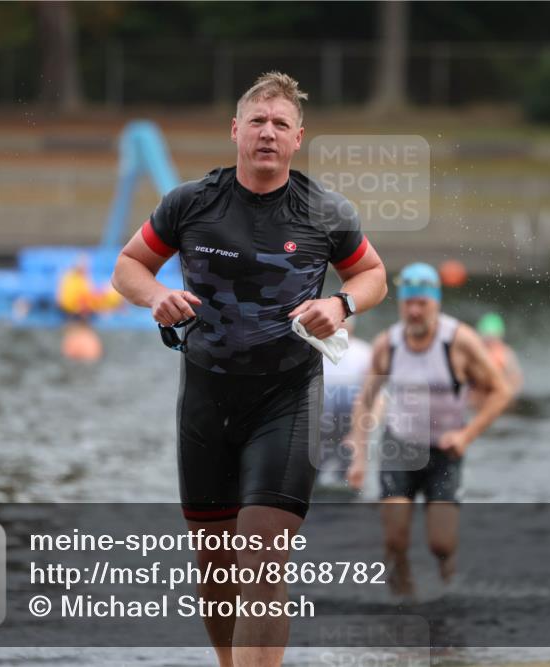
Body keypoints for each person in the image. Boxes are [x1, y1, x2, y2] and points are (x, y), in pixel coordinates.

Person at [111, 72, 387, 667]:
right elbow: (128, 265)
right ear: (236, 130)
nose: (267, 133)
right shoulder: (190, 202)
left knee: (261, 559)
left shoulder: (324, 211)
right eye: (257, 121)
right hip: (206, 401)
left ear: (297, 138)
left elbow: (373, 276)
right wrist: (152, 296)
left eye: (280, 124)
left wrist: (341, 304)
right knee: (214, 571)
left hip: (288, 400)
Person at [346, 262, 512, 597]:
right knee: (394, 538)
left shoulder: (459, 341)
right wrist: (359, 458)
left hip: (445, 449)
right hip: (401, 446)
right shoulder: (387, 344)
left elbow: (501, 391)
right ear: (401, 305)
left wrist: (466, 436)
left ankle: (447, 579)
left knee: (441, 543)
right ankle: (402, 598)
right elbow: (365, 402)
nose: (415, 310)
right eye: (409, 303)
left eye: (423, 303)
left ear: (436, 303)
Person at [317, 316, 373, 489]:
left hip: (350, 415)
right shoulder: (317, 350)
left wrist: (361, 430)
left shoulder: (365, 352)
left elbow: (371, 393)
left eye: (344, 324)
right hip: (323, 416)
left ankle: (346, 477)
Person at [471, 312, 523, 408]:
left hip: (499, 391)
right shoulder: (474, 354)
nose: (490, 343)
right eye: (487, 339)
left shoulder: (507, 354)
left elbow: (516, 380)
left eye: (493, 339)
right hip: (480, 391)